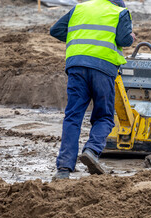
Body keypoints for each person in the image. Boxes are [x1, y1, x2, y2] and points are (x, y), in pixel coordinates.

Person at [50, 0, 135, 179]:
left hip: (76, 65)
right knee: (104, 116)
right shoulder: (119, 12)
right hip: (103, 68)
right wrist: (131, 37)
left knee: (73, 116)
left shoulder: (79, 8)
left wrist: (79, 38)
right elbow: (124, 40)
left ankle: (64, 168)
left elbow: (55, 30)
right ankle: (92, 150)